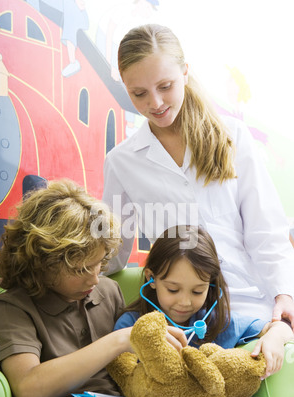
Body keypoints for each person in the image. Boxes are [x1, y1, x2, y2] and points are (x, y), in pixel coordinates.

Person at [0, 179, 211, 397]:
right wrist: (119, 340)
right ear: (42, 263)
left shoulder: (108, 290)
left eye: (99, 265)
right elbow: (28, 390)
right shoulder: (11, 308)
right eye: (82, 269)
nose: (95, 279)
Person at [102, 23, 294, 327]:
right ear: (125, 87)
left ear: (185, 72)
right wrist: (46, 266)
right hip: (181, 312)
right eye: (139, 93)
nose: (155, 103)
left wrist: (285, 293)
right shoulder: (121, 162)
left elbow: (266, 230)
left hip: (250, 304)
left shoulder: (234, 137)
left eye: (165, 86)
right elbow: (112, 252)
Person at [114, 225, 293, 397]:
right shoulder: (132, 326)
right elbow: (122, 373)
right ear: (151, 278)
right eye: (172, 290)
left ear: (210, 285)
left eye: (197, 291)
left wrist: (276, 335)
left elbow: (282, 327)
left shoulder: (219, 321)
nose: (185, 302)